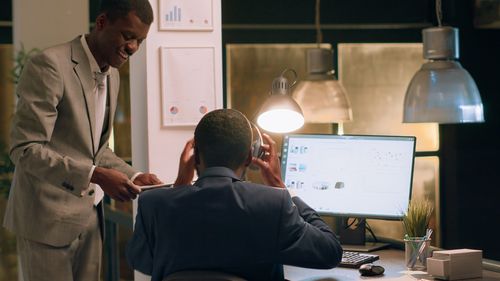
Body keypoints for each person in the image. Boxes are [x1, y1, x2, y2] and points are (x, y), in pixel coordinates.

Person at [3, 0, 162, 280]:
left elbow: (95, 150)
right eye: (128, 36)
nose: (133, 48)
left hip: (90, 217)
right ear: (101, 23)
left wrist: (134, 175)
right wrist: (96, 175)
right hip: (45, 221)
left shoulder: (112, 73)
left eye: (140, 40)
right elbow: (24, 149)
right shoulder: (49, 65)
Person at [126, 109, 343, 281]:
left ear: (195, 156)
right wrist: (280, 186)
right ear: (250, 156)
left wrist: (179, 186)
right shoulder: (273, 203)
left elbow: (143, 263)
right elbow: (330, 252)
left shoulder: (153, 204)